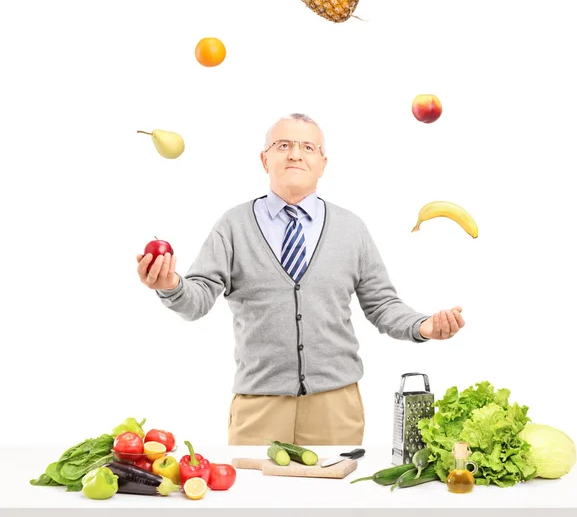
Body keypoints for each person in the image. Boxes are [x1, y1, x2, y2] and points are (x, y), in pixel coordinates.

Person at [136, 113, 465, 445]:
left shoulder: (352, 229)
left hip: (336, 405)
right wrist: (171, 286)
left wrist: (424, 326)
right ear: (265, 160)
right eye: (283, 145)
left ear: (322, 163)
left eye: (308, 146)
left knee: (333, 497)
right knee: (256, 496)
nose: (295, 154)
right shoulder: (233, 226)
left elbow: (382, 304)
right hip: (258, 405)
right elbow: (198, 298)